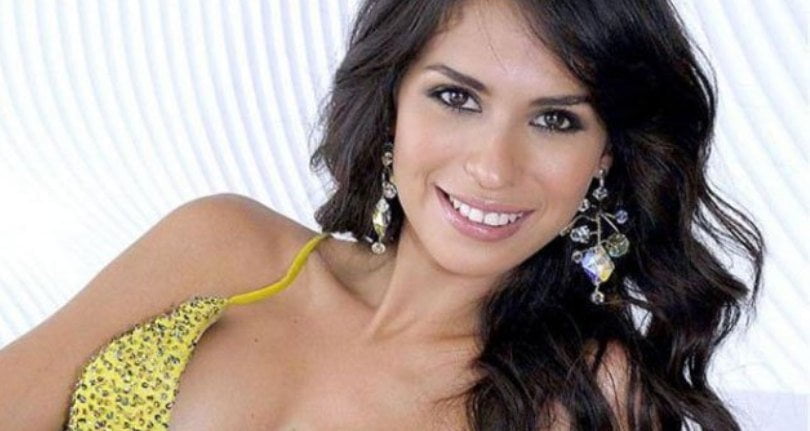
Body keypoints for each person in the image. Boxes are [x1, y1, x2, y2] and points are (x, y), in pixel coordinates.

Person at [0, 0, 764, 429]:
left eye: (556, 119)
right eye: (456, 97)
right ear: (392, 101)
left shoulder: (584, 391)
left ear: (605, 154)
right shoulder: (221, 244)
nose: (493, 167)